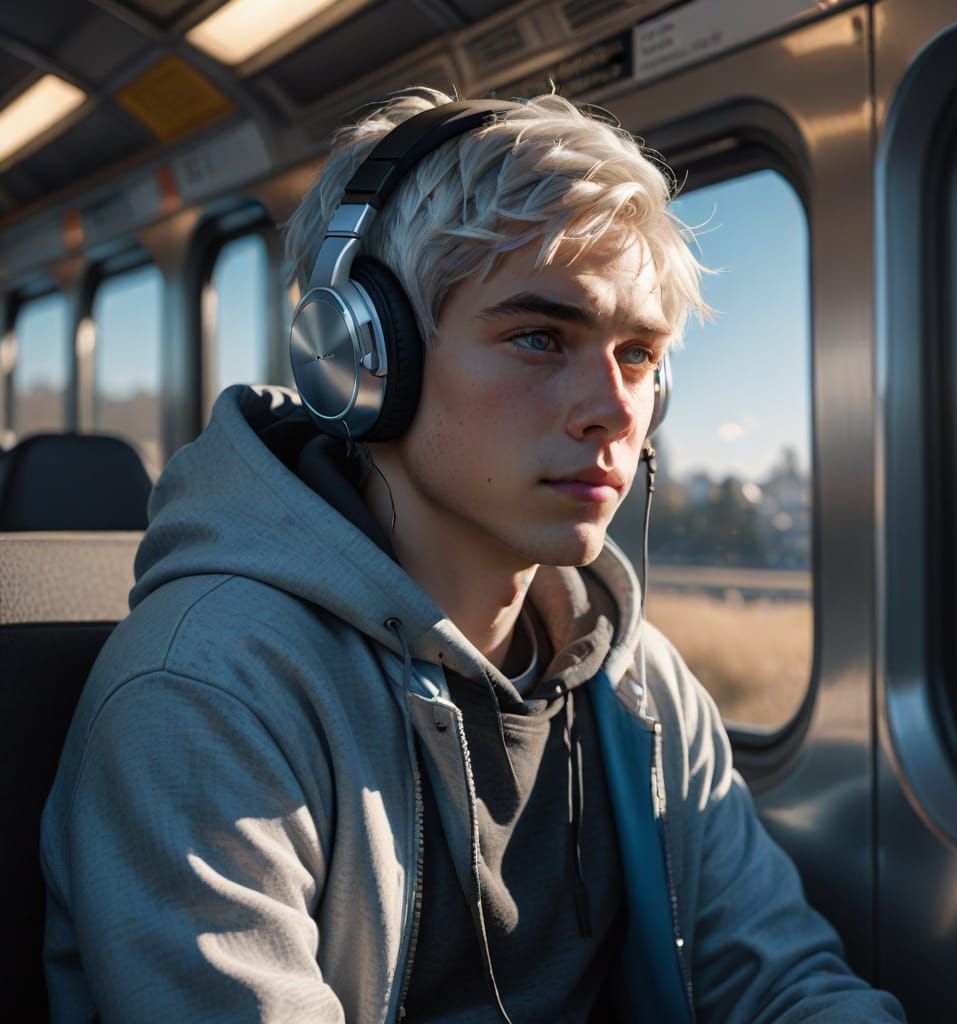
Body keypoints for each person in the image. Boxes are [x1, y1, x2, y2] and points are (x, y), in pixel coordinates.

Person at [40, 86, 906, 1023]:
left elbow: (779, 982)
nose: (615, 412)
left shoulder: (636, 682)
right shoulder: (207, 692)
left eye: (639, 356)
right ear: (364, 364)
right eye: (540, 338)